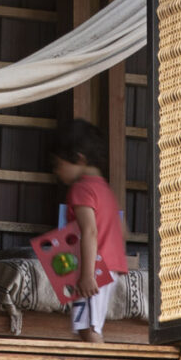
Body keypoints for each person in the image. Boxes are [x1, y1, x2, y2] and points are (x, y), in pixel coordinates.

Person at [49, 119, 129, 342]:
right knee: (87, 326)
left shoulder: (80, 189)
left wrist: (86, 275)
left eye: (58, 164)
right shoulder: (105, 189)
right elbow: (123, 231)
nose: (57, 172)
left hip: (94, 268)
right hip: (109, 266)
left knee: (89, 329)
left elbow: (89, 232)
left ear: (78, 157)